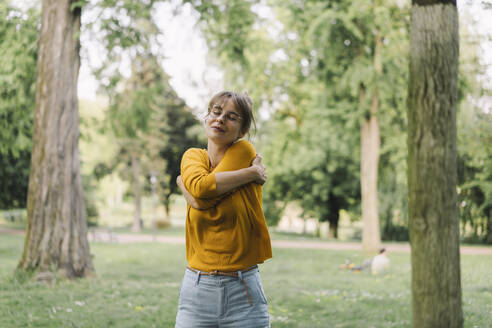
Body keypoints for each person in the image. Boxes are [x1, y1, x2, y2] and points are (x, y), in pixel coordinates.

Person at [174, 91, 272, 328]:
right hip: (196, 292)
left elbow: (201, 193)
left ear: (242, 131)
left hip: (243, 292)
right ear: (207, 117)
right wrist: (251, 173)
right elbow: (202, 189)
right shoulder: (192, 157)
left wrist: (184, 187)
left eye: (231, 117)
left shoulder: (244, 151)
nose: (219, 119)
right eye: (216, 112)